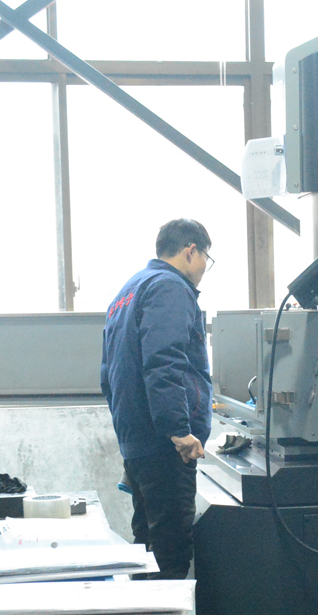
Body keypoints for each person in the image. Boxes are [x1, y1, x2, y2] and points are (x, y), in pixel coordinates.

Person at [101, 218, 214, 580]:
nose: (204, 269)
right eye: (206, 258)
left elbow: (109, 373)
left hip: (138, 441)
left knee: (146, 547)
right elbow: (164, 361)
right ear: (191, 251)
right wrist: (177, 430)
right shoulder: (170, 287)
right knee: (170, 552)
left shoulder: (128, 290)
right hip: (165, 446)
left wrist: (131, 433)